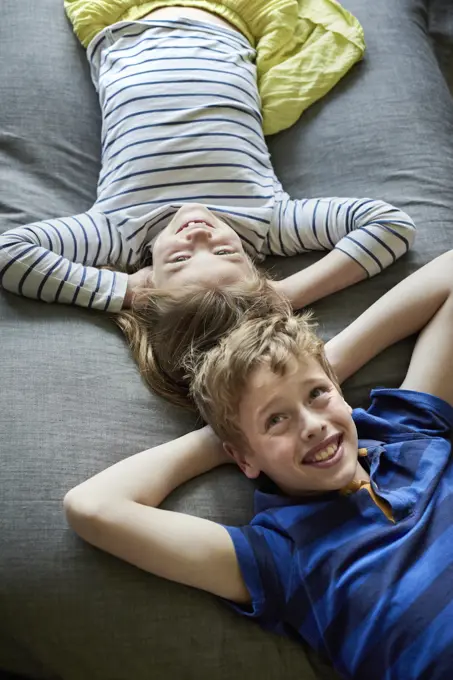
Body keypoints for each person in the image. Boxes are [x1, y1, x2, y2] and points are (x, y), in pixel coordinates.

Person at [0, 2, 415, 409]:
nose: (199, 233)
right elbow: (389, 225)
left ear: (150, 279)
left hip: (127, 24)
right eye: (223, 251)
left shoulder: (118, 232)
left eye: (179, 257)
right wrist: (286, 293)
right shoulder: (267, 224)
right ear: (255, 264)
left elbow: (10, 254)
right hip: (228, 20)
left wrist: (122, 291)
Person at [64, 248, 453, 679]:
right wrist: (228, 437)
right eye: (276, 419)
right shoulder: (280, 556)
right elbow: (92, 506)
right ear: (243, 457)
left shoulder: (407, 431)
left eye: (316, 395)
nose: (310, 426)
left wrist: (322, 369)